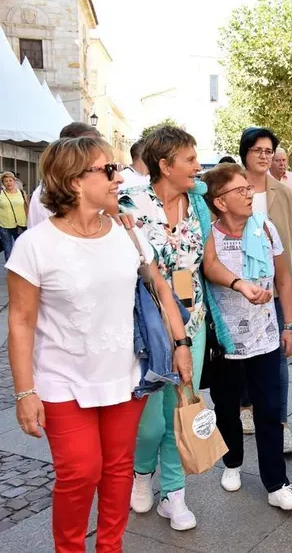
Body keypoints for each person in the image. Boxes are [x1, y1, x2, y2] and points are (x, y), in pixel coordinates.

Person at [6, 136, 191, 552]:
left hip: (124, 377)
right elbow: (19, 322)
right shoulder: (34, 245)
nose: (117, 177)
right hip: (61, 380)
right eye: (107, 170)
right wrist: (24, 391)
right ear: (74, 182)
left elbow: (162, 290)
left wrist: (181, 344)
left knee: (118, 469)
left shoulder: (128, 234)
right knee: (80, 473)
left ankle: (111, 546)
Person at [120, 126, 268, 531]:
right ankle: (141, 472)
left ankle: (174, 492)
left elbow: (208, 263)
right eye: (188, 159)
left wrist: (240, 283)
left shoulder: (198, 206)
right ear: (164, 165)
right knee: (150, 419)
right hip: (149, 326)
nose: (195, 167)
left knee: (182, 408)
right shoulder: (131, 205)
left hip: (195, 321)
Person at [201, 163, 292, 510]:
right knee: (227, 409)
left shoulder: (265, 228)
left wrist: (289, 325)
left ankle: (276, 484)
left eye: (249, 189)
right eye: (240, 190)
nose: (249, 194)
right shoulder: (208, 236)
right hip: (225, 342)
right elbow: (207, 270)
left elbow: (283, 280)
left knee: (269, 409)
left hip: (265, 336)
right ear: (219, 201)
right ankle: (232, 462)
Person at [239, 127, 292, 451]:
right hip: (237, 290)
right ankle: (245, 408)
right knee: (240, 357)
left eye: (269, 151)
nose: (265, 156)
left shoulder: (282, 193)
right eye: (259, 151)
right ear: (245, 154)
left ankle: (281, 423)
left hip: (276, 291)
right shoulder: (227, 187)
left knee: (279, 355)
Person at [28, 122, 100, 228]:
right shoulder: (45, 194)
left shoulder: (97, 182)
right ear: (68, 151)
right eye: (88, 146)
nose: (98, 152)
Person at [0, 171, 29, 259]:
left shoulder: (22, 193)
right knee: (8, 251)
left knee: (22, 249)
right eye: (6, 181)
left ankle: (22, 270)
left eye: (10, 180)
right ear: (3, 183)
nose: (8, 183)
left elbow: (27, 207)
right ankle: (10, 271)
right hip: (4, 226)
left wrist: (30, 222)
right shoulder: (1, 194)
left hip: (21, 226)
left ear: (14, 181)